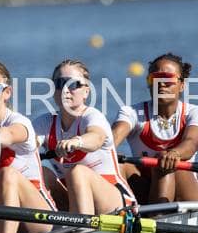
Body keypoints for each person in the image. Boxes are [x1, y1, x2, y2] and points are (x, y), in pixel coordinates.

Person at [33, 59, 135, 215]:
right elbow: (27, 144)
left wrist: (77, 141)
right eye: (60, 83)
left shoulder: (92, 116)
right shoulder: (44, 122)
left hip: (116, 202)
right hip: (73, 197)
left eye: (72, 84)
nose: (65, 89)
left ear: (86, 91)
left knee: (78, 172)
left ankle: (79, 227)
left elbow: (97, 138)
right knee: (41, 173)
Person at [112, 52, 198, 204]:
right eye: (155, 78)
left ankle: (158, 214)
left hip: (185, 192)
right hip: (145, 190)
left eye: (167, 79)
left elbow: (191, 143)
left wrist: (175, 153)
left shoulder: (196, 112)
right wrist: (105, 150)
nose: (161, 84)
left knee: (165, 160)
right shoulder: (131, 112)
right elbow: (112, 139)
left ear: (182, 85)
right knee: (117, 163)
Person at [0, 59, 55, 233]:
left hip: (38, 218)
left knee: (7, 174)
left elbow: (5, 135)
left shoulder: (18, 123)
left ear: (7, 93)